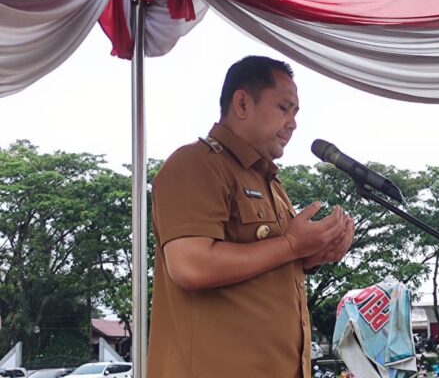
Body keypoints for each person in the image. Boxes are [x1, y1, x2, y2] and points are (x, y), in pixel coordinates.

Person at [146, 56, 355, 377]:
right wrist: (292, 246)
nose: (293, 123)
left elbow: (268, 260)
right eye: (284, 108)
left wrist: (312, 256)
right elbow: (190, 265)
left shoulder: (270, 182)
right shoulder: (195, 164)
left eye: (296, 112)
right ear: (242, 103)